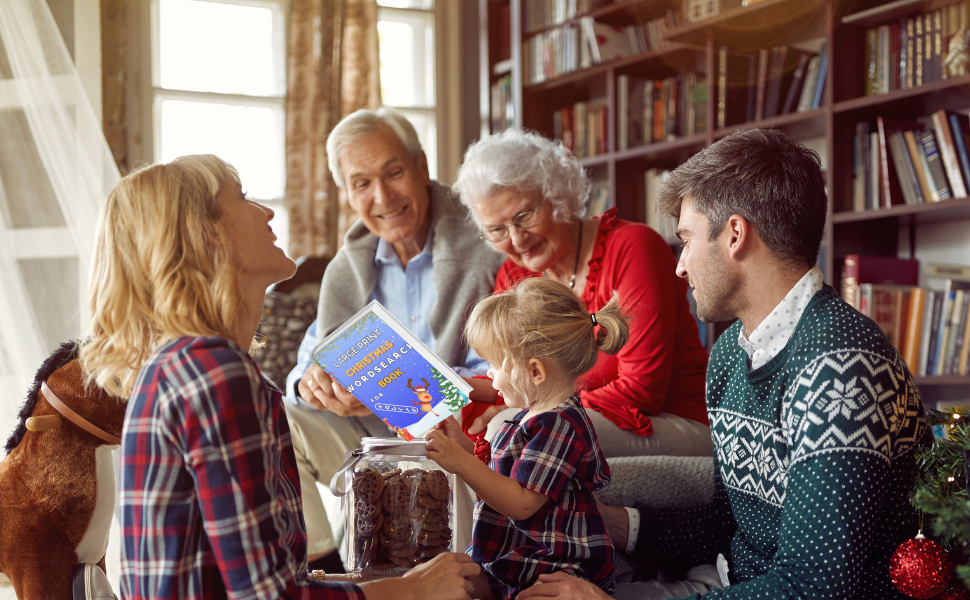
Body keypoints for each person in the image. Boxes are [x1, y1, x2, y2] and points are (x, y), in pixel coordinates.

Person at [517, 129, 929, 600]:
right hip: (727, 580)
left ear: (735, 235)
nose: (680, 266)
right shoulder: (732, 351)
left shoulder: (841, 368)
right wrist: (610, 522)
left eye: (687, 240)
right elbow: (728, 523)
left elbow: (814, 587)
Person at [79, 155, 481, 600]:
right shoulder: (216, 374)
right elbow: (270, 598)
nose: (267, 212)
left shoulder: (187, 363)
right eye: (243, 199)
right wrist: (414, 590)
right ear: (207, 235)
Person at [282, 108, 505, 569]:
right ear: (348, 193)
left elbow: (511, 366)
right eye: (362, 183)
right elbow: (316, 350)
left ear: (422, 167)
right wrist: (309, 379)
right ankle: (326, 572)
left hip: (457, 431)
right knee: (278, 418)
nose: (382, 196)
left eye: (394, 172)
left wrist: (396, 394)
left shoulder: (485, 244)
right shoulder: (350, 265)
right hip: (370, 439)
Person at [452, 129, 711, 459]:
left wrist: (522, 416)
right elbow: (520, 376)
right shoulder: (516, 275)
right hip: (576, 414)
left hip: (671, 422)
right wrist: (464, 393)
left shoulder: (633, 248)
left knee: (521, 434)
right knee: (464, 430)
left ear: (557, 195)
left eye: (523, 216)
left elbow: (640, 392)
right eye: (497, 229)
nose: (516, 240)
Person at [426, 278, 625, 600]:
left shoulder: (561, 425)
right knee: (443, 577)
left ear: (535, 371)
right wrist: (461, 445)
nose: (488, 375)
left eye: (494, 364)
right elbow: (498, 478)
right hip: (510, 556)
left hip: (553, 567)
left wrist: (460, 461)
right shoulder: (524, 417)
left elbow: (520, 503)